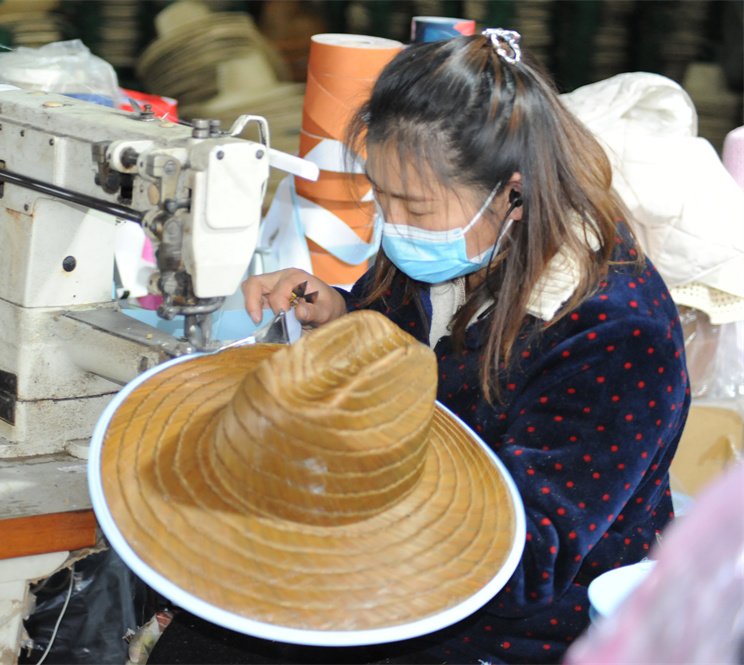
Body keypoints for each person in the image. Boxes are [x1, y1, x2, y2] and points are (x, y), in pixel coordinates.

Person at [229, 29, 691, 664]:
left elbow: (526, 563)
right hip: (398, 558)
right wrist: (340, 316)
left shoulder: (615, 334)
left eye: (414, 208)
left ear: (514, 192)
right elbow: (398, 335)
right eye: (380, 197)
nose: (392, 225)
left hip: (520, 625)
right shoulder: (456, 246)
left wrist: (340, 499)